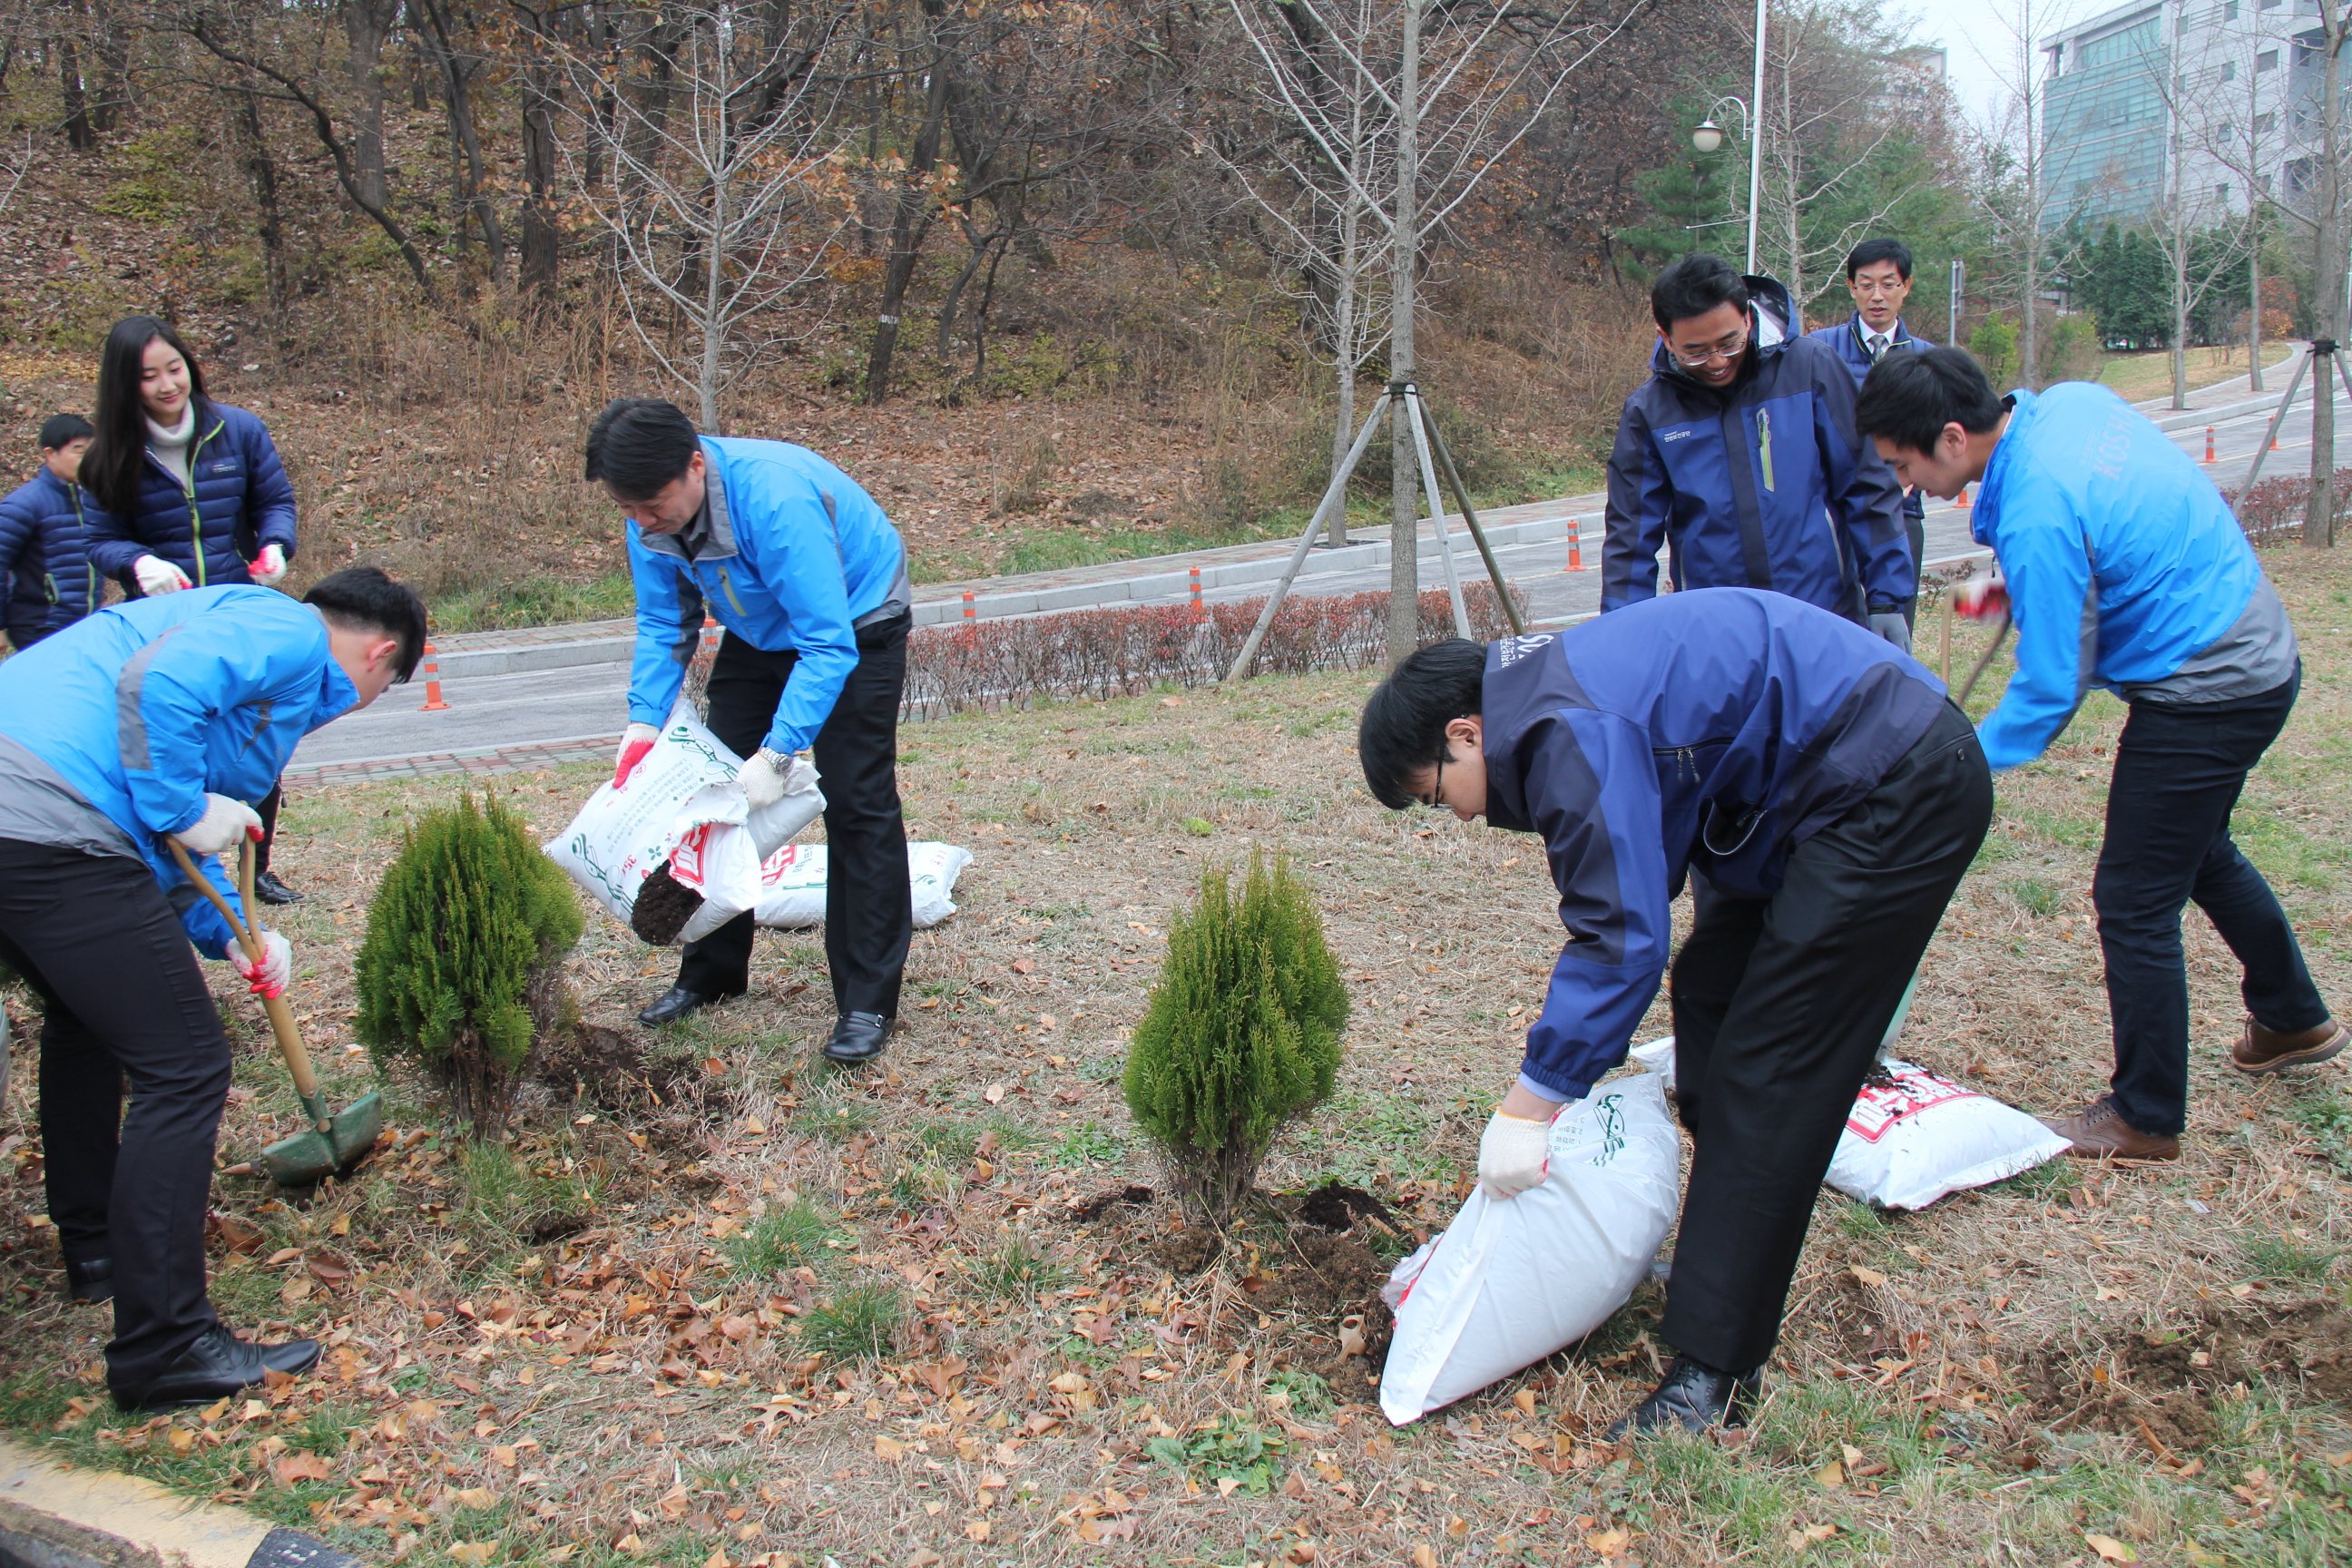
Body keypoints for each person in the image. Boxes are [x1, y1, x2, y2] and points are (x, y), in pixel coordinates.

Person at [1357, 593, 1990, 1436]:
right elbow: (1635, 869)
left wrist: (1533, 1101)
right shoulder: (1552, 691)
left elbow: (1620, 937)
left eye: (1439, 795)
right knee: (1712, 1004)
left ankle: (1714, 1375)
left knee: (1771, 1072)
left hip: (1893, 786)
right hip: (1799, 799)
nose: (1463, 817)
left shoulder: (1561, 727)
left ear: (1466, 733)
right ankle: (1720, 1257)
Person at [1857, 348, 2341, 1161]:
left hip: (2209, 686)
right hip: (2256, 647)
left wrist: (1953, 760)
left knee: (2134, 898)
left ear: (1949, 437)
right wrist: (2016, 590)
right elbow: (2108, 534)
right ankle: (2293, 1018)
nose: (1905, 485)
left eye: (1902, 464)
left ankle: (2145, 1115)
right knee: (2199, 850)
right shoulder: (2066, 407)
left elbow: (2050, 685)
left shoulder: (2035, 505)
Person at [0, 567, 426, 1408]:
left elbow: (172, 838)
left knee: (86, 1024)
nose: (363, 702)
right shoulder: (288, 633)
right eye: (384, 686)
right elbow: (156, 700)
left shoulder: (245, 655)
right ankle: (163, 1348)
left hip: (28, 814)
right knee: (187, 1067)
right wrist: (182, 805)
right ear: (381, 656)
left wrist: (237, 932)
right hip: (50, 813)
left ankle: (96, 1251)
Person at [587, 398, 914, 1063]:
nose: (644, 522)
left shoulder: (774, 499)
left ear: (696, 466)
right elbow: (662, 624)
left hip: (855, 619)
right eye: (630, 510)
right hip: (760, 629)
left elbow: (826, 645)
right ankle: (711, 972)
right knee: (716, 791)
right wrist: (643, 723)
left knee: (857, 801)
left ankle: (866, 1000)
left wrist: (781, 747)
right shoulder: (647, 519)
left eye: (653, 505)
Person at [78, 316, 308, 906]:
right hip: (164, 626)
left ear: (190, 367)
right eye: (148, 376)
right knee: (167, 748)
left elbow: (276, 501)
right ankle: (177, 871)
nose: (166, 385)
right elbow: (99, 539)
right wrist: (137, 564)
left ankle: (258, 865)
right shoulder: (110, 455)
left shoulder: (238, 431)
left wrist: (275, 546)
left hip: (236, 612)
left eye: (174, 369)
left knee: (257, 740)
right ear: (125, 385)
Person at [1603, 252, 1914, 649]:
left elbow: (1867, 485)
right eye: (1695, 351)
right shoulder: (1650, 411)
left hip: (1824, 615)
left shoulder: (1810, 369)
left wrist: (1887, 600)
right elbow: (1631, 536)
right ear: (1666, 337)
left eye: (1729, 342)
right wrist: (1621, 633)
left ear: (1748, 317)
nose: (1717, 362)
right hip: (1718, 634)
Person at [1807, 239, 1935, 627]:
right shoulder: (1818, 351)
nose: (1877, 296)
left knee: (1894, 627)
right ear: (1851, 287)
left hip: (1902, 511)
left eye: (1888, 284)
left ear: (1906, 287)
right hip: (1836, 515)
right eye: (1866, 284)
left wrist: (1910, 476)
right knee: (1836, 627)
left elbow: (1940, 434)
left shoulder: (1927, 358)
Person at [0, 414, 98, 651]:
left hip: (85, 626)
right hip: (40, 627)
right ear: (50, 454)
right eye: (79, 451)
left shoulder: (92, 500)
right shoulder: (22, 505)